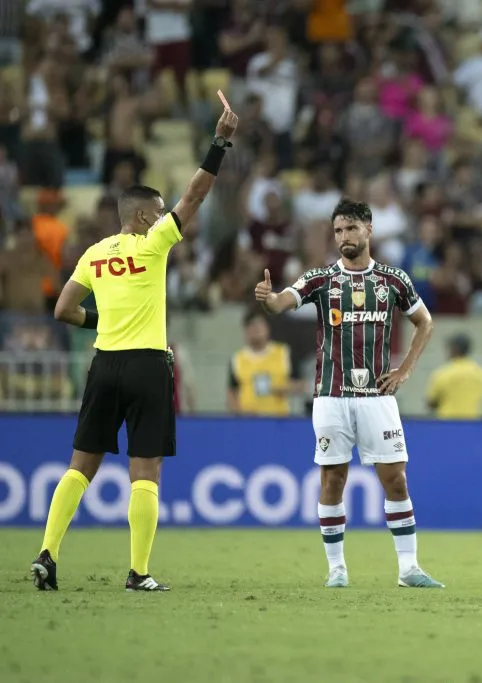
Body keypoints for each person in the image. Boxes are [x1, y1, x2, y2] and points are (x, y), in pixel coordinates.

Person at [30, 93, 239, 592]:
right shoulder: (153, 244)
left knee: (80, 466)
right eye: (160, 211)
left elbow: (61, 310)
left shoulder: (94, 253)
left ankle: (47, 553)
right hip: (147, 366)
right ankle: (138, 572)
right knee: (145, 474)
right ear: (146, 217)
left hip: (103, 365)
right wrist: (220, 143)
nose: (168, 215)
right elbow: (195, 197)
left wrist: (101, 320)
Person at [254, 199, 443, 589]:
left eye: (351, 229)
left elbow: (424, 323)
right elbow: (283, 302)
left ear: (369, 230)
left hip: (377, 397)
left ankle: (409, 569)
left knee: (395, 480)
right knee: (333, 480)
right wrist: (270, 301)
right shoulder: (321, 279)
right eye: (338, 230)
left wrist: (405, 369)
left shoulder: (393, 280)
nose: (344, 237)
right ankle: (336, 569)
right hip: (331, 396)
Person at [227, 308, 301, 416]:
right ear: (245, 330)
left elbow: (301, 384)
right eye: (251, 325)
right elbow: (231, 392)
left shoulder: (284, 353)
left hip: (279, 420)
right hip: (248, 422)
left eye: (259, 324)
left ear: (268, 328)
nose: (256, 329)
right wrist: (239, 414)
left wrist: (283, 388)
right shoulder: (237, 359)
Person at [425, 333, 482, 419]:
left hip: (447, 423)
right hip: (473, 423)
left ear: (455, 348)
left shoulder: (443, 373)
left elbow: (431, 403)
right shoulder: (481, 374)